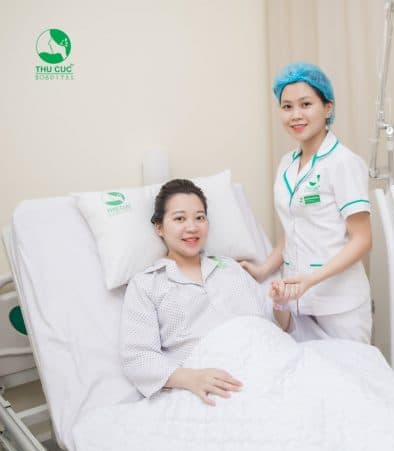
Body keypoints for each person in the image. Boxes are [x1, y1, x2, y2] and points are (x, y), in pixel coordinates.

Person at [120, 179, 292, 405]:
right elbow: (139, 358)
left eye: (199, 217)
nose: (192, 227)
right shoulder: (146, 284)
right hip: (215, 384)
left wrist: (281, 303)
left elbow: (277, 326)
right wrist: (191, 378)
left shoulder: (231, 267)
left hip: (270, 363)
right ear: (159, 227)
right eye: (179, 218)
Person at [240, 62, 372, 344]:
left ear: (328, 108)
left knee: (349, 372)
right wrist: (263, 270)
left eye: (306, 104)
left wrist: (310, 280)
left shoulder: (343, 163)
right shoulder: (287, 164)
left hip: (340, 305)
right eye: (287, 107)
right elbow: (294, 228)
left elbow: (362, 240)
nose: (295, 115)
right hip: (297, 302)